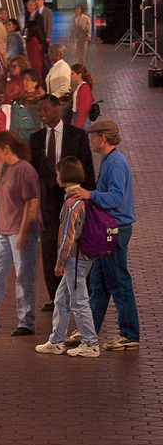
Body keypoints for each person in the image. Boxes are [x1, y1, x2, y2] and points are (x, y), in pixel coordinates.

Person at [38, 62, 94, 310]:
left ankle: (78, 294)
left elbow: (88, 172)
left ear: (57, 110)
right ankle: (54, 296)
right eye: (39, 110)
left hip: (73, 201)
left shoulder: (76, 136)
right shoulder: (36, 139)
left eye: (46, 110)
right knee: (50, 249)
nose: (42, 114)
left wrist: (89, 199)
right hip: (48, 206)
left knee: (76, 249)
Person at [36, 146, 100, 360]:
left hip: (74, 258)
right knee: (62, 299)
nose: (55, 176)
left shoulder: (72, 204)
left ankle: (91, 343)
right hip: (84, 256)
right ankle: (56, 340)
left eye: (57, 173)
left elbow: (67, 236)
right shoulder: (81, 198)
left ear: (65, 175)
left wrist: (60, 261)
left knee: (78, 301)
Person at [0, 132, 41, 337]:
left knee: (23, 277)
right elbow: (8, 195)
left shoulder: (25, 170)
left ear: (6, 148)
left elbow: (32, 202)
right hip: (2, 231)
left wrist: (23, 232)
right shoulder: (6, 168)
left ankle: (26, 321)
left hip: (20, 232)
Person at [84, 120, 140, 352]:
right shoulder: (109, 160)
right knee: (98, 283)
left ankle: (128, 334)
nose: (91, 140)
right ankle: (89, 330)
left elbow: (115, 197)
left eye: (93, 136)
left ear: (103, 138)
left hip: (114, 230)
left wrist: (89, 194)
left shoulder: (115, 164)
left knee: (118, 282)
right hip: (110, 229)